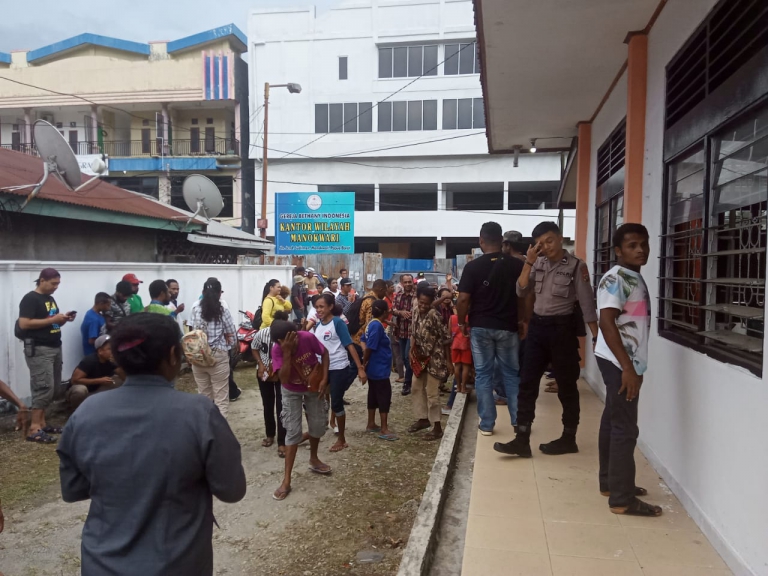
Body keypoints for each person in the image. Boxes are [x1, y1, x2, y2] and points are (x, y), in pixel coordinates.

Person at [56, 313, 246, 575]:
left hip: (101, 563)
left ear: (117, 358)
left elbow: (73, 489)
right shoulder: (199, 413)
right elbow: (232, 490)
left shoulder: (86, 413)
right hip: (178, 563)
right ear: (172, 355)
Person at [494, 221, 598, 458]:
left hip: (562, 330)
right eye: (540, 243)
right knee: (527, 384)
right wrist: (529, 261)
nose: (546, 247)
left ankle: (568, 438)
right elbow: (520, 290)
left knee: (567, 387)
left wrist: (596, 336)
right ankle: (521, 439)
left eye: (549, 241)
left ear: (560, 238)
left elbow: (587, 304)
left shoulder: (576, 266)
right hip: (538, 329)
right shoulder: (537, 263)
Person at [595, 224, 660, 517]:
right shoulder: (616, 279)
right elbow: (606, 323)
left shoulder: (631, 276)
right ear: (618, 251)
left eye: (643, 244)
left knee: (612, 420)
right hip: (619, 363)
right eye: (633, 245)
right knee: (625, 428)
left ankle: (611, 483)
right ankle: (622, 498)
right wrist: (627, 368)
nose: (641, 250)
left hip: (621, 362)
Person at [456, 222, 525, 436]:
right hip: (508, 326)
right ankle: (518, 422)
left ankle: (487, 424)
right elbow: (525, 295)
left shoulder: (472, 267)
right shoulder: (517, 265)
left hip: (481, 327)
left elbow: (463, 299)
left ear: (481, 240)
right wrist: (523, 321)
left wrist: (461, 322)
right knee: (512, 375)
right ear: (501, 240)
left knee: (483, 375)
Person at [270, 320, 331, 501]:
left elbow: (325, 353)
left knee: (319, 426)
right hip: (290, 391)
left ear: (296, 334)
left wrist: (324, 379)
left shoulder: (308, 337)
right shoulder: (278, 350)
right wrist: (287, 353)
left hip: (313, 385)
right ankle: (286, 480)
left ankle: (313, 458)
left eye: (293, 338)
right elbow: (284, 378)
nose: (292, 343)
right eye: (284, 342)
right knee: (292, 432)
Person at [18, 267, 76, 444]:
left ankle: (42, 423)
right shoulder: (30, 299)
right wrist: (53, 320)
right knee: (43, 386)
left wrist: (62, 320)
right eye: (53, 283)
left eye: (58, 284)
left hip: (54, 345)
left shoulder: (49, 299)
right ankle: (34, 428)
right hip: (40, 349)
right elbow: (24, 323)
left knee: (53, 386)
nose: (56, 287)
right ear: (42, 280)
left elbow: (50, 323)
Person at [313, 293, 367, 452]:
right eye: (316, 307)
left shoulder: (337, 323)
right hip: (323, 369)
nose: (319, 310)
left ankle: (342, 439)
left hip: (338, 367)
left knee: (336, 402)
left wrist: (360, 368)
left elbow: (349, 345)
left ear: (330, 307)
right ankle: (319, 430)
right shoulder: (319, 324)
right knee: (317, 399)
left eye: (322, 306)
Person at [408, 284, 452, 441]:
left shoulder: (435, 315)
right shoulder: (415, 311)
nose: (423, 306)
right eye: (421, 302)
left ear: (431, 302)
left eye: (426, 303)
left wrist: (448, 361)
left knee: (432, 394)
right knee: (416, 387)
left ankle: (437, 427)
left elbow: (446, 338)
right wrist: (411, 350)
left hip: (435, 358)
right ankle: (422, 418)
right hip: (419, 357)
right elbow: (413, 332)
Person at [189, 278, 236, 418]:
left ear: (203, 292)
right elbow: (230, 333)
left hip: (198, 355)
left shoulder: (195, 308)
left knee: (204, 396)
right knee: (221, 398)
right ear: (219, 294)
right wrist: (227, 338)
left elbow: (191, 331)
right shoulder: (223, 310)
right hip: (218, 355)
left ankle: (205, 431)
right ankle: (220, 434)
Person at [252, 310, 290, 458]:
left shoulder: (287, 334)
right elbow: (254, 348)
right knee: (267, 404)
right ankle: (270, 435)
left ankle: (282, 441)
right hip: (264, 374)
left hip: (281, 373)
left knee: (282, 406)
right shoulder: (262, 333)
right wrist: (260, 364)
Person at [362, 300, 396, 441]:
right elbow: (370, 346)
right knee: (384, 396)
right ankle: (384, 428)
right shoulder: (376, 326)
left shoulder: (371, 323)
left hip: (375, 367)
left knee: (373, 394)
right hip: (379, 367)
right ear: (384, 312)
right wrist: (364, 362)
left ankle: (371, 423)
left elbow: (363, 339)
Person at [67, 334, 122, 410]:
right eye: (110, 349)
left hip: (96, 391)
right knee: (80, 390)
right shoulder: (90, 361)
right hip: (83, 390)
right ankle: (76, 412)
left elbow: (124, 377)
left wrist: (118, 363)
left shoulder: (111, 360)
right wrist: (99, 380)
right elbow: (75, 380)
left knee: (118, 381)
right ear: (100, 351)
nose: (113, 351)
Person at [391, 273, 416, 395]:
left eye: (409, 282)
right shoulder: (398, 296)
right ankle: (411, 379)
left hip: (413, 332)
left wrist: (411, 314)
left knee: (407, 356)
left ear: (412, 282)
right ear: (401, 283)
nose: (407, 284)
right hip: (401, 331)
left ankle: (407, 382)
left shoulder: (417, 296)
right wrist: (401, 312)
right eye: (405, 282)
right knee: (403, 356)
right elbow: (393, 310)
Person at [352, 279, 388, 346]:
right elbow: (369, 324)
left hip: (356, 337)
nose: (385, 294)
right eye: (385, 291)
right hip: (360, 341)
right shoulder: (371, 302)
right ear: (381, 290)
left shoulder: (367, 295)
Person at [384, 281, 404, 383]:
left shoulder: (395, 297)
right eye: (391, 287)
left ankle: (400, 372)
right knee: (395, 350)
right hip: (386, 325)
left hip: (394, 325)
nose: (393, 289)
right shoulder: (384, 299)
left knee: (397, 351)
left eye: (393, 287)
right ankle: (396, 368)